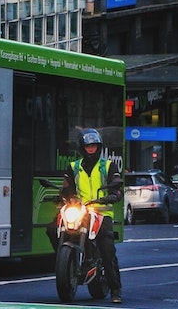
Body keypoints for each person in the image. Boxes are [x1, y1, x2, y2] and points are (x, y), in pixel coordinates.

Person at [46, 128, 124, 304]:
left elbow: (117, 187)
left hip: (101, 212)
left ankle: (115, 289)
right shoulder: (74, 167)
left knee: (107, 249)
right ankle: (63, 262)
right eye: (88, 146)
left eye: (94, 146)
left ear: (99, 147)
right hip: (79, 209)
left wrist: (113, 195)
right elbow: (67, 187)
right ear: (82, 148)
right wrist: (62, 195)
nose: (91, 149)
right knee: (52, 228)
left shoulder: (108, 166)